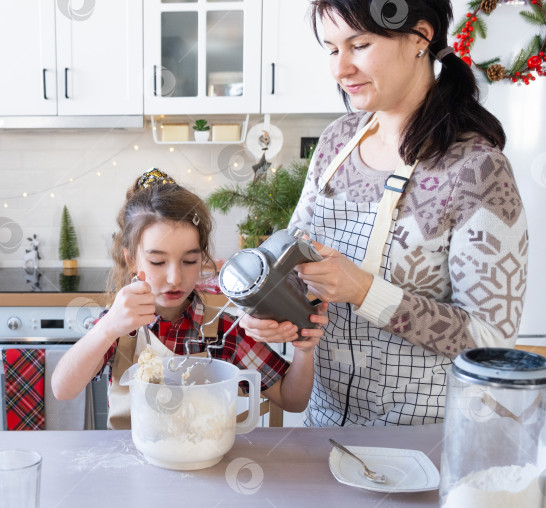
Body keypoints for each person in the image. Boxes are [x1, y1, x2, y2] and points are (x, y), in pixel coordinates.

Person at [241, 0, 528, 427]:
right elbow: (292, 257)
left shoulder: (474, 169)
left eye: (359, 45)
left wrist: (363, 290)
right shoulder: (338, 141)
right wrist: (270, 309)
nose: (341, 70)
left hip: (425, 437)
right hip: (324, 427)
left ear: (420, 38)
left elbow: (490, 339)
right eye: (332, 49)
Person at [51, 169, 328, 430]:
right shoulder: (121, 329)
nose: (174, 277)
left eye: (189, 260)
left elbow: (292, 400)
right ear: (131, 260)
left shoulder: (221, 332)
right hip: (133, 473)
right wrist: (107, 327)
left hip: (205, 467)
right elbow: (63, 389)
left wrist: (304, 351)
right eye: (158, 261)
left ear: (202, 260)